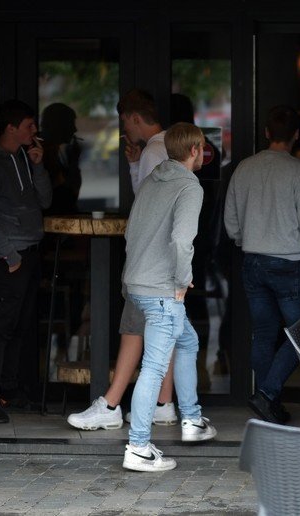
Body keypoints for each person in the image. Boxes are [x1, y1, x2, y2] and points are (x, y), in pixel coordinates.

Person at [67, 89, 176, 431]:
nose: (123, 130)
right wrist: (133, 164)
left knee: (132, 328)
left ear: (133, 118)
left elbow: (145, 206)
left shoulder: (155, 150)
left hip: (148, 258)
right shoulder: (166, 148)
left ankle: (111, 404)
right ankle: (163, 402)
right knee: (163, 329)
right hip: (165, 258)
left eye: (123, 122)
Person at [122, 122, 216, 472]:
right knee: (154, 367)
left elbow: (131, 230)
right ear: (194, 150)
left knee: (187, 341)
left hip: (138, 283)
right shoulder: (189, 186)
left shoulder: (152, 180)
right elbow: (181, 240)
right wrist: (183, 279)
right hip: (163, 289)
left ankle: (192, 419)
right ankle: (138, 447)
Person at [224, 105, 300, 424]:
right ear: (296, 135)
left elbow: (230, 222)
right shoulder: (299, 171)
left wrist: (245, 240)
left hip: (253, 261)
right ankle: (268, 395)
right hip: (291, 265)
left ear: (267, 133)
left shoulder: (244, 168)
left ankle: (268, 401)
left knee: (264, 334)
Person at [0, 99, 52, 423]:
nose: (34, 131)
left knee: (19, 327)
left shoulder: (24, 158)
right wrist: (11, 256)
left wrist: (39, 165)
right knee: (2, 327)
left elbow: (44, 200)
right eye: (29, 126)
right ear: (11, 127)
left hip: (28, 252)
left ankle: (9, 390)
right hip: (8, 256)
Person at [40, 103, 82, 215]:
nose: (75, 129)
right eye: (71, 123)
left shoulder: (60, 151)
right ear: (59, 125)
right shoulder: (41, 153)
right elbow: (66, 189)